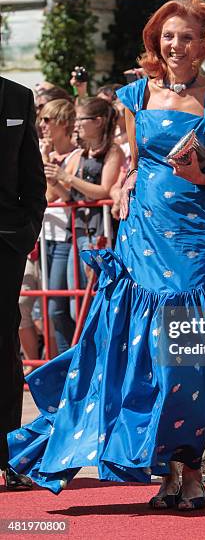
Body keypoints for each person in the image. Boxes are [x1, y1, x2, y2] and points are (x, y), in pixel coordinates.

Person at [8, 0, 205, 511]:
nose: (175, 45)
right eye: (167, 36)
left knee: (187, 357)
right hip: (142, 234)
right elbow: (133, 159)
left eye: (186, 36)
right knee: (141, 352)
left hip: (195, 236)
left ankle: (192, 468)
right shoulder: (133, 95)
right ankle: (163, 472)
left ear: (204, 44)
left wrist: (203, 175)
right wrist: (125, 182)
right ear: (157, 42)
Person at [0, 74, 47, 489]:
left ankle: (8, 454)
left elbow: (33, 175)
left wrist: (25, 230)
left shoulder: (16, 96)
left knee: (2, 344)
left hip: (4, 244)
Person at [43, 98, 124, 321]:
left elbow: (104, 190)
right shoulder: (80, 155)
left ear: (98, 122)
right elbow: (67, 196)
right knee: (75, 306)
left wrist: (66, 177)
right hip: (78, 233)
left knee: (95, 302)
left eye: (81, 119)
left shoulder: (113, 151)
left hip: (100, 234)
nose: (75, 124)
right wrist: (55, 179)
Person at [39, 99, 81, 354]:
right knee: (51, 309)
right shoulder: (49, 157)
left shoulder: (76, 156)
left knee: (63, 307)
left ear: (63, 123)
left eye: (47, 119)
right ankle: (66, 365)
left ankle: (72, 364)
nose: (41, 125)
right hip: (46, 236)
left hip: (68, 237)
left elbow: (51, 196)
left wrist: (44, 162)